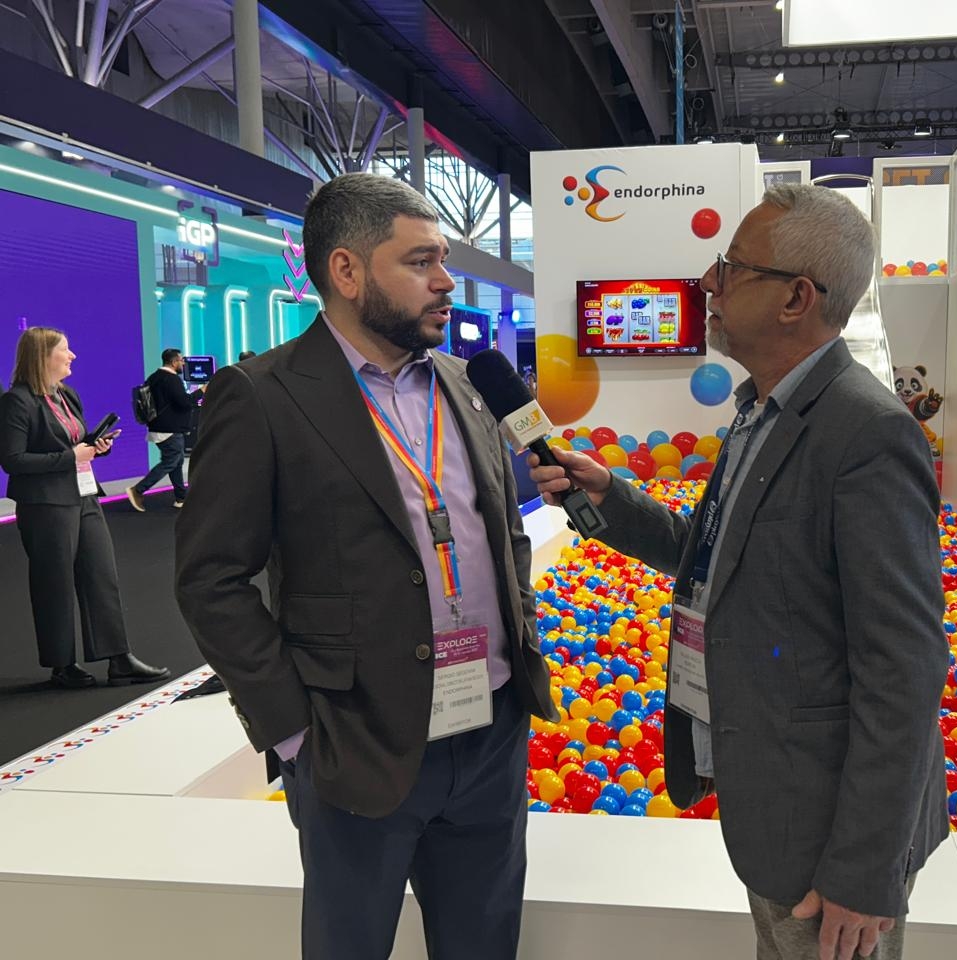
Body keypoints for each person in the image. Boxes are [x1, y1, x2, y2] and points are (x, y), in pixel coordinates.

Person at [530, 184, 949, 960]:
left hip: (831, 837)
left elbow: (905, 666)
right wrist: (610, 497)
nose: (707, 283)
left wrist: (865, 869)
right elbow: (716, 557)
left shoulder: (866, 434)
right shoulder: (761, 412)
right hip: (776, 805)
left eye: (730, 268)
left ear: (795, 299)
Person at [174, 173, 556, 960]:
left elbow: (502, 532)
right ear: (346, 271)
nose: (445, 281)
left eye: (443, 259)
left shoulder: (465, 385)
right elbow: (211, 580)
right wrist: (293, 734)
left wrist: (517, 646)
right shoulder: (264, 396)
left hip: (490, 733)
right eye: (420, 261)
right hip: (353, 743)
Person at [0, 327, 171, 688]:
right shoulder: (17, 401)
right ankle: (62, 664)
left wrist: (95, 448)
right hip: (46, 505)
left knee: (101, 576)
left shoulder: (66, 395)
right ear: (43, 356)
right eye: (65, 350)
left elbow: (74, 443)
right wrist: (70, 457)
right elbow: (13, 460)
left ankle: (119, 658)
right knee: (54, 584)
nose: (72, 355)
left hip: (84, 497)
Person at [126, 348, 202, 511]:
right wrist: (201, 392)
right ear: (174, 362)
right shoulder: (171, 379)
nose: (183, 363)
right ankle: (138, 490)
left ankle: (181, 498)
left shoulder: (154, 377)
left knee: (176, 462)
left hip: (159, 427)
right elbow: (184, 402)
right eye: (181, 360)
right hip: (169, 429)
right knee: (171, 461)